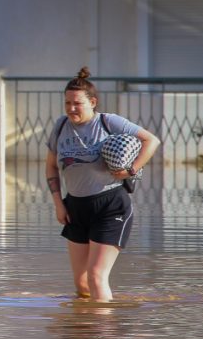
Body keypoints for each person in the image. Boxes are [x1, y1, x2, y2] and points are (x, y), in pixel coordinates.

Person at [45, 67, 160, 301]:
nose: (71, 108)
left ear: (93, 102)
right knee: (81, 283)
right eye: (67, 103)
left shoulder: (108, 122)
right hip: (75, 206)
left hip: (110, 206)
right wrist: (59, 203)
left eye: (77, 103)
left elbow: (152, 140)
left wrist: (131, 169)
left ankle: (103, 334)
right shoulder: (60, 127)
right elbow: (50, 167)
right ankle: (85, 331)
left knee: (97, 276)